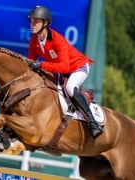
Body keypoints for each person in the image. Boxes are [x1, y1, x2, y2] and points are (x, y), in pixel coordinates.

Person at [27, 5, 102, 138]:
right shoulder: (34, 40)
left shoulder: (57, 40)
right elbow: (30, 62)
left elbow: (65, 67)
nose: (32, 24)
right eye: (31, 20)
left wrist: (42, 64)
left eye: (36, 21)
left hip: (78, 67)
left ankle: (92, 122)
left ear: (46, 23)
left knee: (70, 88)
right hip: (61, 69)